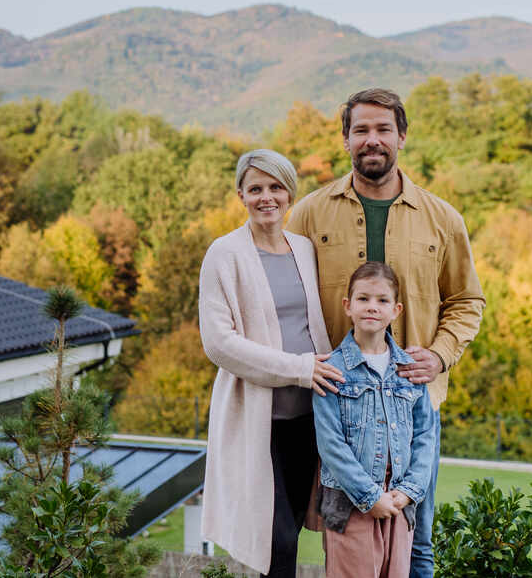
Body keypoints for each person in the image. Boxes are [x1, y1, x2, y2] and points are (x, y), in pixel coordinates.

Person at [287, 88, 485, 578]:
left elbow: (467, 301)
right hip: (331, 404)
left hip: (413, 407)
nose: (371, 140)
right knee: (337, 539)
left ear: (402, 136)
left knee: (417, 545)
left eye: (382, 129)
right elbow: (288, 300)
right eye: (361, 130)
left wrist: (440, 355)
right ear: (346, 139)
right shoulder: (310, 213)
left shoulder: (443, 219)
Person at [198, 149, 344, 577]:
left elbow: (317, 324)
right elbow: (219, 344)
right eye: (256, 188)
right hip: (259, 421)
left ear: (289, 194)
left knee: (291, 532)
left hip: (310, 417)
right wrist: (300, 368)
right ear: (241, 195)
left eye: (276, 187)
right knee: (274, 539)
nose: (267, 197)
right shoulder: (224, 254)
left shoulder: (304, 249)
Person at [314, 262, 435, 578]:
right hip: (351, 502)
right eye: (363, 299)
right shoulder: (332, 369)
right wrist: (370, 497)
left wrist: (408, 491)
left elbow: (425, 436)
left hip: (398, 501)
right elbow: (330, 444)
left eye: (382, 300)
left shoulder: (409, 370)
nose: (372, 307)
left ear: (396, 310)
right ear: (347, 306)